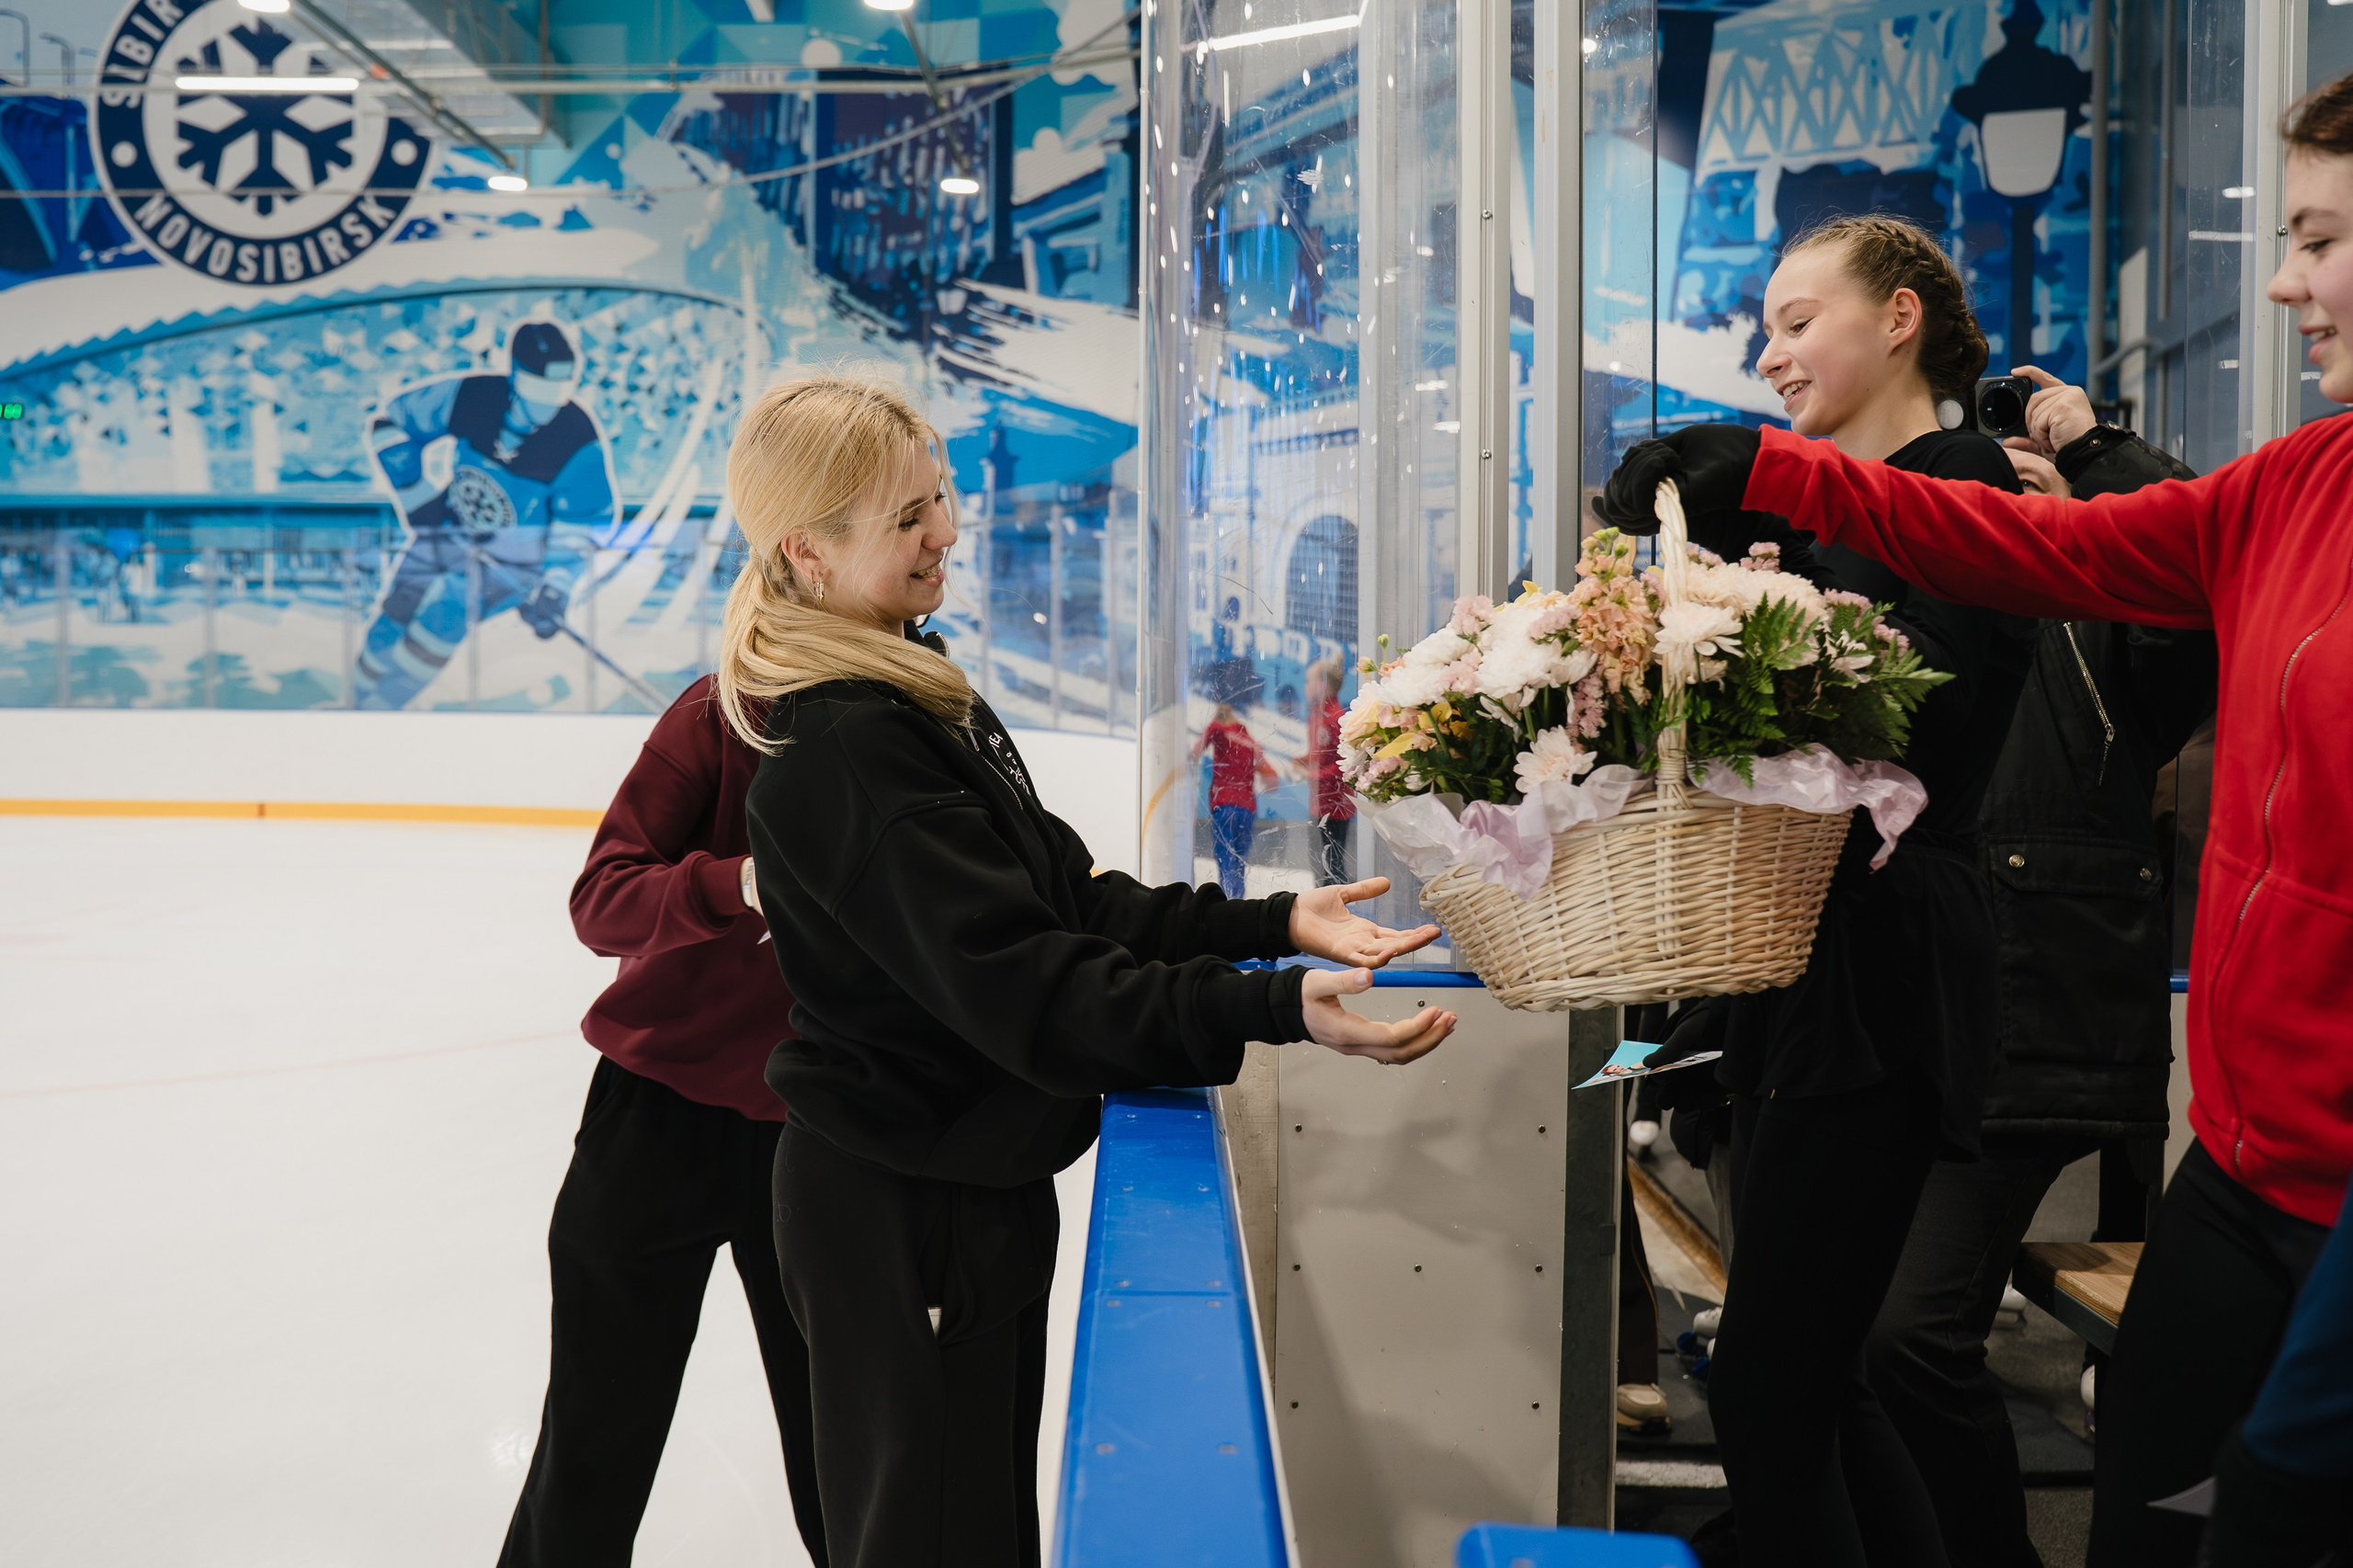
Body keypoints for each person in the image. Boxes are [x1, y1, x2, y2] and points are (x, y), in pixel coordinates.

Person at [1594, 70, 2353, 1568]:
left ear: (1898, 323)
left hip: (2301, 1176)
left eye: (2321, 241)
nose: (2281, 281)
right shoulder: (2298, 483)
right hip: (2242, 1168)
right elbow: (2037, 547)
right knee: (2140, 1517)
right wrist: (1772, 468)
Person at [712, 373, 1458, 1568]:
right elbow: (1037, 993)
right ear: (808, 548)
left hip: (960, 1187)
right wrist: (1272, 1003)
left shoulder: (914, 689)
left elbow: (1070, 900)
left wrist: (1275, 919)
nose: (946, 532)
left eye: (939, 497)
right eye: (907, 517)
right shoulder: (848, 750)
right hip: (904, 1208)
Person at [1620, 214, 2037, 1568]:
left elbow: (1918, 708)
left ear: (1900, 318)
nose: (1771, 354)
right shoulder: (1836, 512)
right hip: (1807, 963)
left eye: (1799, 321)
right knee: (1816, 1381)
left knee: (1768, 1386)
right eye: (1767, 329)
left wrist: (1746, 621)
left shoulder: (1960, 473)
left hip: (1879, 971)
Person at [1862, 371, 2217, 1568]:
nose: (2002, 500)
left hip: (2034, 1037)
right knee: (1840, 1339)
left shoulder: (2109, 623)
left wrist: (2091, 452)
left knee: (1906, 1337)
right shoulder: (1926, 614)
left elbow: (2202, 572)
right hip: (1909, 1027)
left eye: (2020, 482)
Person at [498, 674, 824, 1568]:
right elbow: (601, 900)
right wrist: (737, 880)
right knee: (593, 1443)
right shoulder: (720, 711)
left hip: (822, 1132)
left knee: (845, 1458)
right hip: (655, 1123)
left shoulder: (917, 717)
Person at [357, 320, 617, 710]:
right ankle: (357, 697)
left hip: (510, 564)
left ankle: (384, 705)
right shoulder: (475, 396)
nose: (548, 405)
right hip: (446, 533)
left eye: (558, 392)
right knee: (398, 608)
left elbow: (580, 525)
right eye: (539, 390)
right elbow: (389, 424)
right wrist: (418, 497)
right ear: (515, 375)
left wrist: (555, 588)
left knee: (444, 618)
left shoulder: (577, 437)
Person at [1191, 702, 1278, 898]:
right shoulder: (1248, 739)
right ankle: (1237, 902)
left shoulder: (1219, 730)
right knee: (1239, 862)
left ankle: (1227, 903)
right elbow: (1269, 773)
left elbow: (1196, 751)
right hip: (1247, 808)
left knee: (1225, 860)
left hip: (1224, 804)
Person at [1294, 661, 1359, 886]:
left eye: (1309, 681)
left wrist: (1311, 775)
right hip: (1320, 803)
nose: (1305, 686)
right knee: (1320, 862)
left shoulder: (1335, 718)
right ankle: (1325, 898)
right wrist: (1299, 761)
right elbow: (1320, 755)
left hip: (1336, 806)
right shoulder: (1317, 715)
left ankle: (1336, 900)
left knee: (1333, 863)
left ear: (1323, 684)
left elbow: (1343, 764)